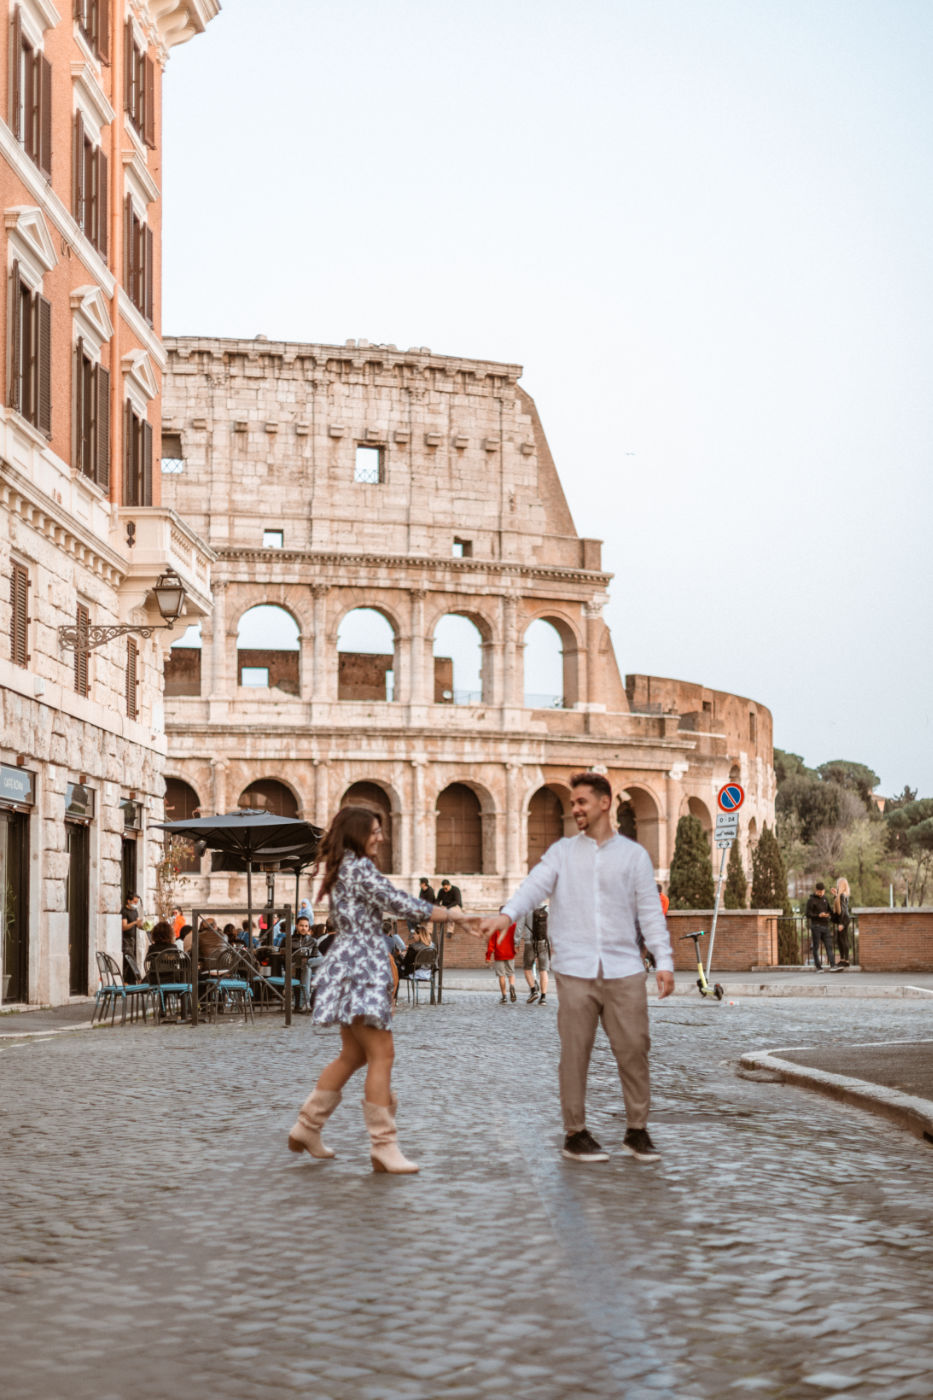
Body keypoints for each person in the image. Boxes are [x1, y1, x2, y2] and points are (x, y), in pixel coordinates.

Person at [479, 771, 674, 1165]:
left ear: (605, 803)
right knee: (575, 1053)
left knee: (635, 1049)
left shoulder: (634, 856)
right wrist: (507, 914)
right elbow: (533, 886)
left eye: (581, 802)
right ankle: (576, 1133)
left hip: (624, 968)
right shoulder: (562, 853)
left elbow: (650, 912)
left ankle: (637, 1131)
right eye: (572, 803)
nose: (575, 809)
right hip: (575, 969)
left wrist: (664, 961)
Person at [288, 806, 476, 1174]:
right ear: (360, 833)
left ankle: (307, 1127)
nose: (381, 836)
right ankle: (383, 1147)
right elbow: (400, 902)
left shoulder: (347, 868)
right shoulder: (359, 868)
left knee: (353, 1055)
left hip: (349, 963)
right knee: (382, 1053)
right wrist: (455, 915)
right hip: (360, 966)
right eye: (375, 830)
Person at [486, 920, 518, 1003]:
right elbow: (517, 937)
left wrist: (488, 956)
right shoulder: (513, 925)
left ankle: (504, 997)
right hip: (510, 953)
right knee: (511, 973)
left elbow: (491, 943)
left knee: (501, 976)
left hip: (499, 954)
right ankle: (512, 986)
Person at [806, 881, 835, 970]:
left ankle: (833, 965)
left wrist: (828, 914)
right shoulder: (811, 900)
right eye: (820, 892)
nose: (821, 893)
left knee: (829, 946)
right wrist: (818, 915)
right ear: (816, 890)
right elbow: (808, 914)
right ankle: (818, 967)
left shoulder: (825, 899)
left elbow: (830, 910)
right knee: (816, 947)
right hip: (816, 926)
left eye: (823, 892)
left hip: (825, 926)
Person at [121, 893, 143, 982]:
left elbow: (138, 925)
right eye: (134, 902)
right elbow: (124, 927)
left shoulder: (135, 911)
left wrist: (142, 925)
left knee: (127, 962)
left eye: (137, 902)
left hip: (133, 939)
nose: (135, 904)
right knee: (130, 959)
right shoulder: (124, 911)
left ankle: (127, 981)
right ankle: (139, 979)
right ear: (128, 901)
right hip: (125, 939)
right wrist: (134, 922)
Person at [832, 878, 851, 968]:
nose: (837, 885)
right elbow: (840, 906)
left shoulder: (843, 895)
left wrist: (841, 923)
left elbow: (843, 910)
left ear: (842, 885)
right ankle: (843, 959)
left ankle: (845, 960)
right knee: (841, 939)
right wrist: (836, 895)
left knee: (842, 940)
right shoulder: (842, 895)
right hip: (844, 919)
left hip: (843, 919)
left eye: (838, 884)